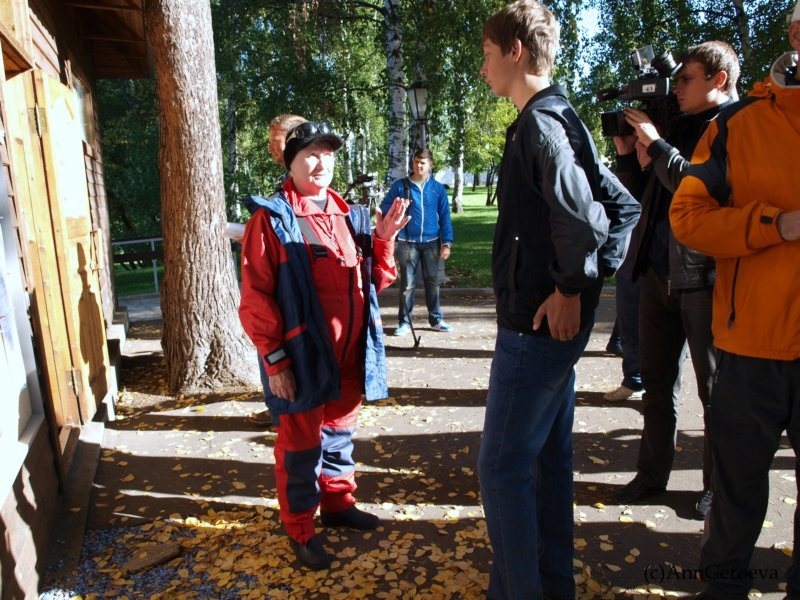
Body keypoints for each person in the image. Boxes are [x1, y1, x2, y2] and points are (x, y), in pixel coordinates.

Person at [476, 2, 640, 598]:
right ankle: (550, 585)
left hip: (533, 331)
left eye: (487, 55)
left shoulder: (543, 125)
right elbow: (622, 208)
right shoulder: (560, 117)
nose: (483, 68)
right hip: (545, 328)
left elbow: (590, 220)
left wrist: (572, 288)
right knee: (546, 462)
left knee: (501, 469)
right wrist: (583, 288)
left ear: (515, 50)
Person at [238, 121, 410, 570]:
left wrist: (384, 240)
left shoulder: (348, 215)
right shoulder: (271, 220)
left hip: (350, 354)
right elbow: (256, 297)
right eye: (310, 155)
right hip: (301, 358)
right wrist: (275, 361)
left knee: (338, 436)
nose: (320, 163)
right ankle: (300, 528)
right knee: (300, 447)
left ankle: (337, 505)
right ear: (290, 162)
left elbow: (374, 282)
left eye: (327, 154)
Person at [670, 3, 800, 597]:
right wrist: (775, 224)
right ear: (794, 33)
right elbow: (688, 217)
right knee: (735, 495)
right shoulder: (737, 125)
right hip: (750, 348)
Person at [612, 41, 740, 522]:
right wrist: (630, 154)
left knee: (715, 392)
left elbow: (695, 187)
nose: (676, 88)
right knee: (656, 384)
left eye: (686, 79)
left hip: (705, 276)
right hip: (657, 270)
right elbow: (645, 193)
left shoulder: (734, 126)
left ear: (718, 80)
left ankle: (716, 490)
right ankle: (651, 475)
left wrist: (657, 143)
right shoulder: (678, 123)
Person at [245, 113, 307, 428]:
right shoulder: (285, 187)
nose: (271, 148)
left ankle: (283, 415)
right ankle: (278, 411)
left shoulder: (306, 186)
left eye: (275, 141)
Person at [380, 148, 454, 335]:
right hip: (407, 242)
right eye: (415, 162)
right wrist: (398, 207)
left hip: (432, 241)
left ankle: (436, 319)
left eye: (422, 163)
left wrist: (447, 242)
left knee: (433, 281)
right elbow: (384, 208)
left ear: (430, 165)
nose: (418, 166)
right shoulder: (400, 186)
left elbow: (445, 216)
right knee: (407, 284)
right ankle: (405, 322)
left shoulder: (437, 188)